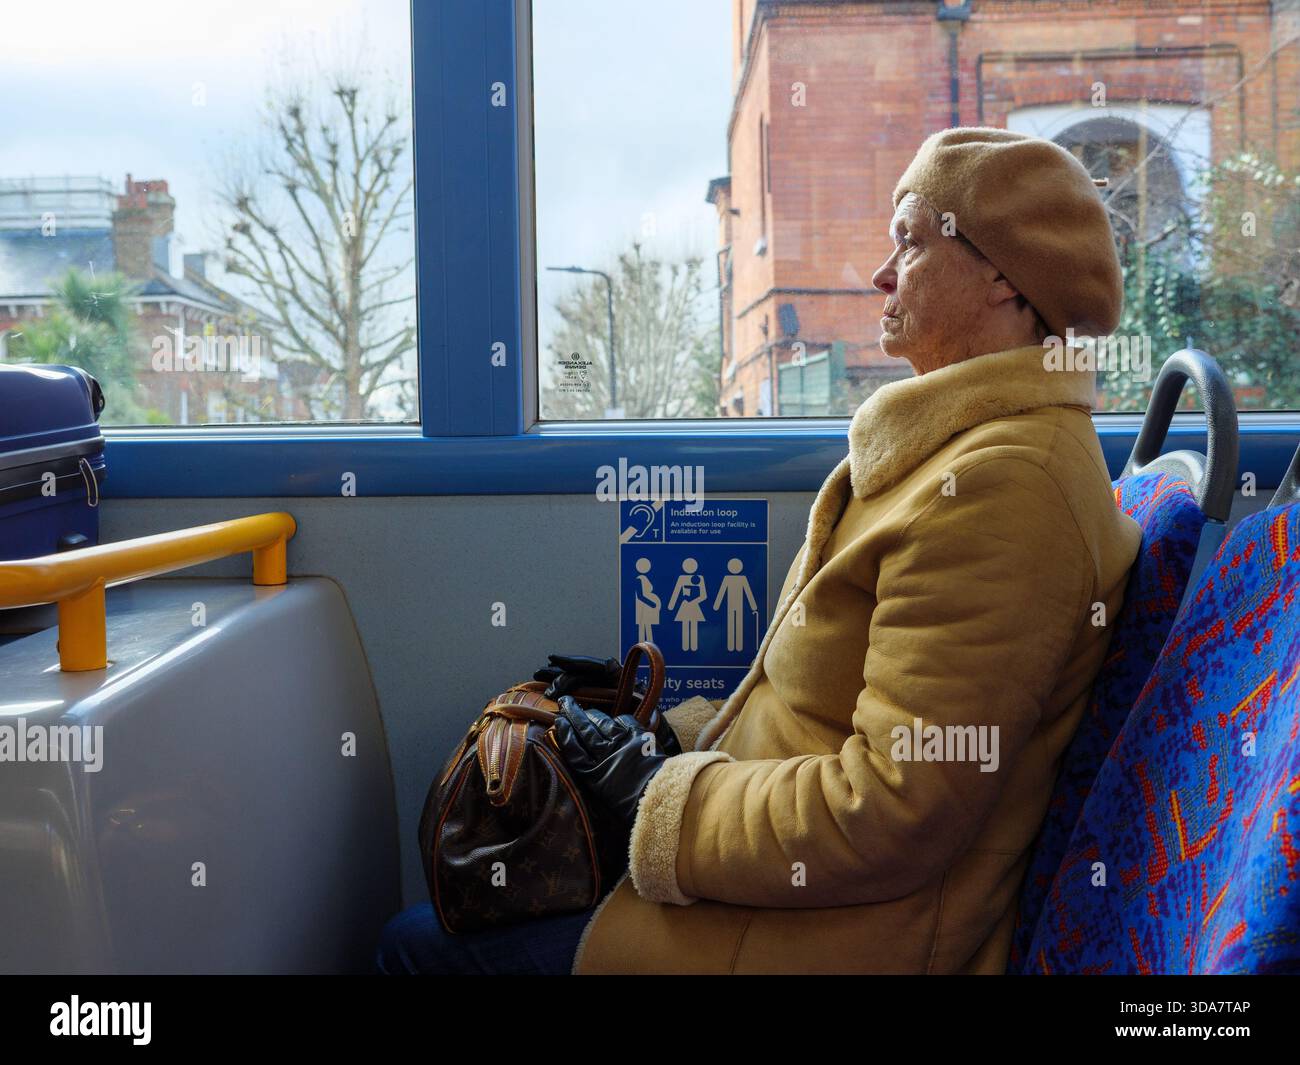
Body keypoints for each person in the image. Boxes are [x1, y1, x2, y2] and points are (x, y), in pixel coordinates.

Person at [377, 126, 1143, 975]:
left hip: (840, 937)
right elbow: (813, 715)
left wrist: (650, 800)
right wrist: (661, 746)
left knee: (414, 949)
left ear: (1003, 275)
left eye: (912, 242)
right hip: (779, 890)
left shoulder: (1007, 490)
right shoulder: (957, 453)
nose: (883, 274)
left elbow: (893, 809)